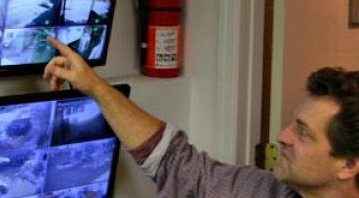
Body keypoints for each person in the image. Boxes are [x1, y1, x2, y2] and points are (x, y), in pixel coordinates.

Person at [43, 37, 359, 198]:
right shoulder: (268, 192)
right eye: (293, 122)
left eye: (304, 133)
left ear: (348, 165)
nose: (282, 136)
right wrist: (94, 86)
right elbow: (178, 165)